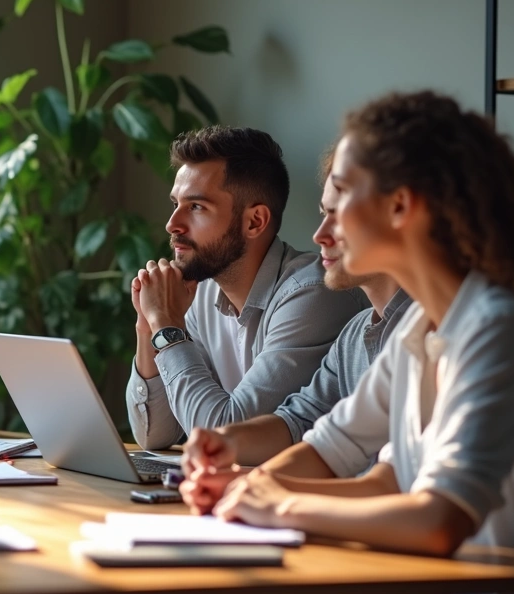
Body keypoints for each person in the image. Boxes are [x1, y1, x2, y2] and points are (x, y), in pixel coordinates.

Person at [200, 91, 514, 594]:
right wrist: (244, 487)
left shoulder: (500, 330)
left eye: (342, 195)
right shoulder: (422, 329)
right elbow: (341, 454)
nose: (321, 229)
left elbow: (439, 521)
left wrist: (275, 505)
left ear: (401, 206)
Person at [178, 146, 410, 502]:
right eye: (323, 213)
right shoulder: (358, 333)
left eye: (339, 214)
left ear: (401, 216)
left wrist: (273, 500)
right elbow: (306, 425)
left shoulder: (445, 333)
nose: (319, 234)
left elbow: (399, 491)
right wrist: (231, 453)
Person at [128, 126, 367, 451]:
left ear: (255, 221)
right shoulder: (200, 294)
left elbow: (226, 435)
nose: (173, 224)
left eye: (196, 207)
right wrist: (148, 326)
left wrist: (167, 327)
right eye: (175, 204)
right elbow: (154, 434)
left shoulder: (312, 295)